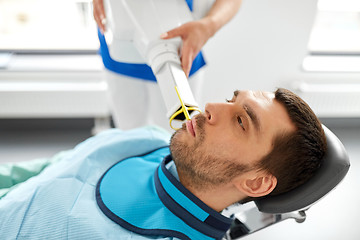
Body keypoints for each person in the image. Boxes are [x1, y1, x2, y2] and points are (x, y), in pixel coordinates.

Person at [0, 88, 326, 239]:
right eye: (230, 100)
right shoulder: (146, 139)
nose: (211, 105)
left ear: (255, 183)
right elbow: (36, 173)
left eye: (241, 121)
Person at [93, 0, 243, 131]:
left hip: (182, 50)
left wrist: (208, 26)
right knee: (129, 134)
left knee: (176, 134)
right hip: (121, 53)